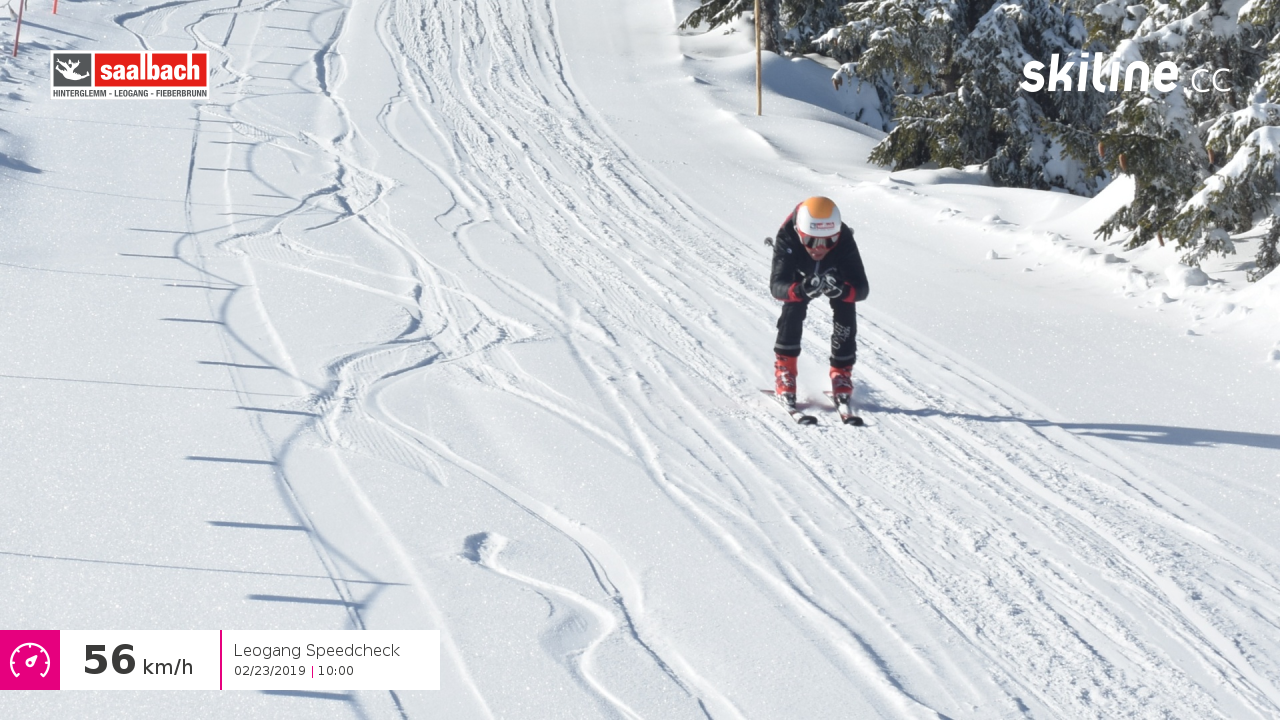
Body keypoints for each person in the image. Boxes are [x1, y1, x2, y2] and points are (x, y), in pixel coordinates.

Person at [769, 196, 869, 406]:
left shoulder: (844, 239)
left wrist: (843, 291)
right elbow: (777, 286)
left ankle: (842, 372)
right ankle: (785, 370)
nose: (819, 248)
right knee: (794, 306)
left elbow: (861, 288)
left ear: (837, 234)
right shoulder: (787, 236)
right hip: (800, 272)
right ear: (799, 233)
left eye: (829, 241)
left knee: (846, 306)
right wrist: (799, 290)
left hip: (835, 270)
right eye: (811, 240)